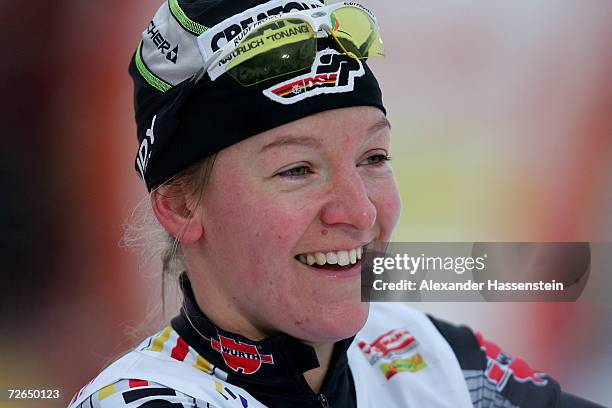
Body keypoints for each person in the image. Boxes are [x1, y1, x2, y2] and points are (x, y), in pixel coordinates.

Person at [68, 0, 603, 407]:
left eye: (373, 158)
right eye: (297, 169)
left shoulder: (431, 357)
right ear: (181, 206)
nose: (360, 212)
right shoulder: (145, 397)